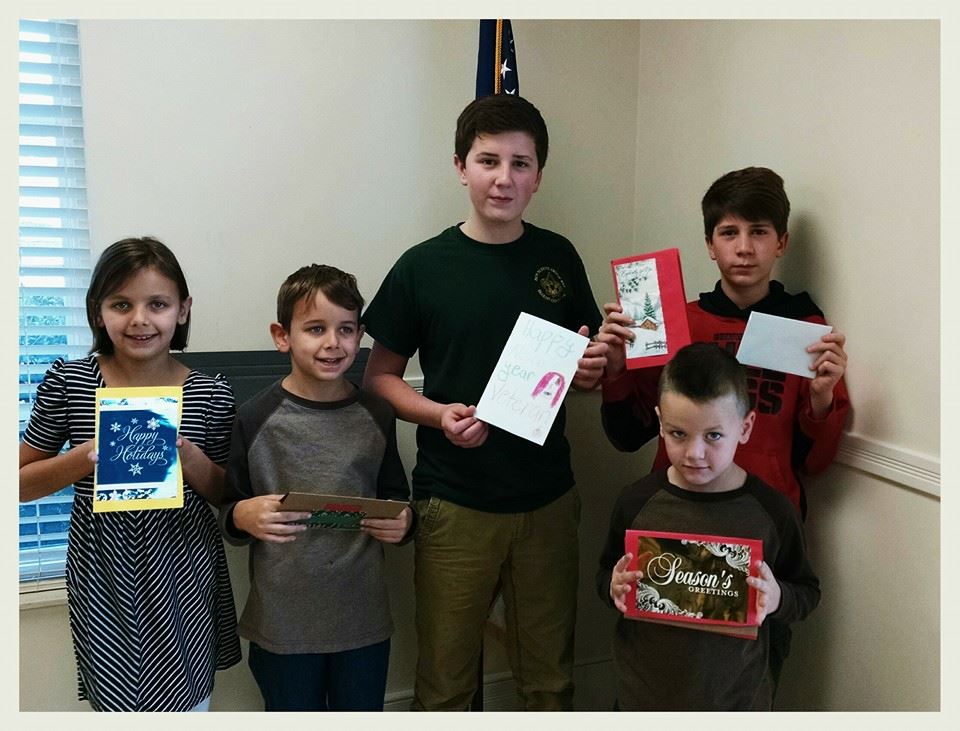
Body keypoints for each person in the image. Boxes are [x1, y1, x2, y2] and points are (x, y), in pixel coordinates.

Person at [361, 94, 608, 711]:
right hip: (455, 502)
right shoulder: (423, 266)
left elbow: (587, 362)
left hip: (547, 499)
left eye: (520, 164)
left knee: (549, 681)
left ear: (539, 175)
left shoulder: (558, 256)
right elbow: (379, 378)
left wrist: (594, 369)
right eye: (488, 160)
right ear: (460, 167)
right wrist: (437, 415)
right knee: (446, 685)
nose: (504, 178)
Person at [597, 166, 849, 687]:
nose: (744, 248)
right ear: (710, 245)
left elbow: (816, 462)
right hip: (674, 525)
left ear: (781, 242)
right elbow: (628, 433)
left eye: (759, 232)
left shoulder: (806, 331)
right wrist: (617, 371)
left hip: (760, 528)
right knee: (664, 667)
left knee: (747, 680)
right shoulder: (675, 321)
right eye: (729, 233)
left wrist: (822, 400)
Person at [19, 236, 241, 712]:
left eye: (158, 304)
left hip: (183, 568)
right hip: (102, 570)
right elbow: (19, 483)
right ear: (98, 313)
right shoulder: (70, 383)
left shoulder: (209, 393)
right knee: (116, 698)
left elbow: (229, 494)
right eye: (121, 304)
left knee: (187, 697)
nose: (140, 319)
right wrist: (87, 455)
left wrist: (187, 455)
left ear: (182, 310)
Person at [219, 264, 413, 712]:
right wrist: (241, 515)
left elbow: (396, 498)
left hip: (361, 618)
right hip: (282, 624)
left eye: (346, 329)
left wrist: (405, 522)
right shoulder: (253, 417)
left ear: (360, 336)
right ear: (282, 336)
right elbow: (231, 508)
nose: (333, 343)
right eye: (315, 329)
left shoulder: (377, 413)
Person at [597, 342, 821, 711]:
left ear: (745, 427)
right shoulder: (636, 502)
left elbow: (807, 592)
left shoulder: (772, 511)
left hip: (736, 701)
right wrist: (613, 586)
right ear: (660, 423)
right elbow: (606, 572)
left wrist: (777, 597)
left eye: (713, 436)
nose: (694, 453)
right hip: (644, 698)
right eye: (678, 434)